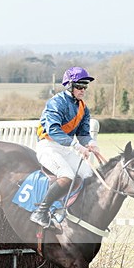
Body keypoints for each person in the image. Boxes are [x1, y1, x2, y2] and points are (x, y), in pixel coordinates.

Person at [30, 66, 105, 228]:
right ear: (69, 85)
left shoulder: (83, 107)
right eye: (79, 86)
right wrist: (77, 146)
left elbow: (84, 133)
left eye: (85, 86)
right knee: (67, 175)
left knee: (88, 174)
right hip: (48, 146)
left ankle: (78, 211)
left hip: (65, 149)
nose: (83, 90)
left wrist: (92, 144)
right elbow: (53, 130)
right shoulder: (56, 103)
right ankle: (40, 212)